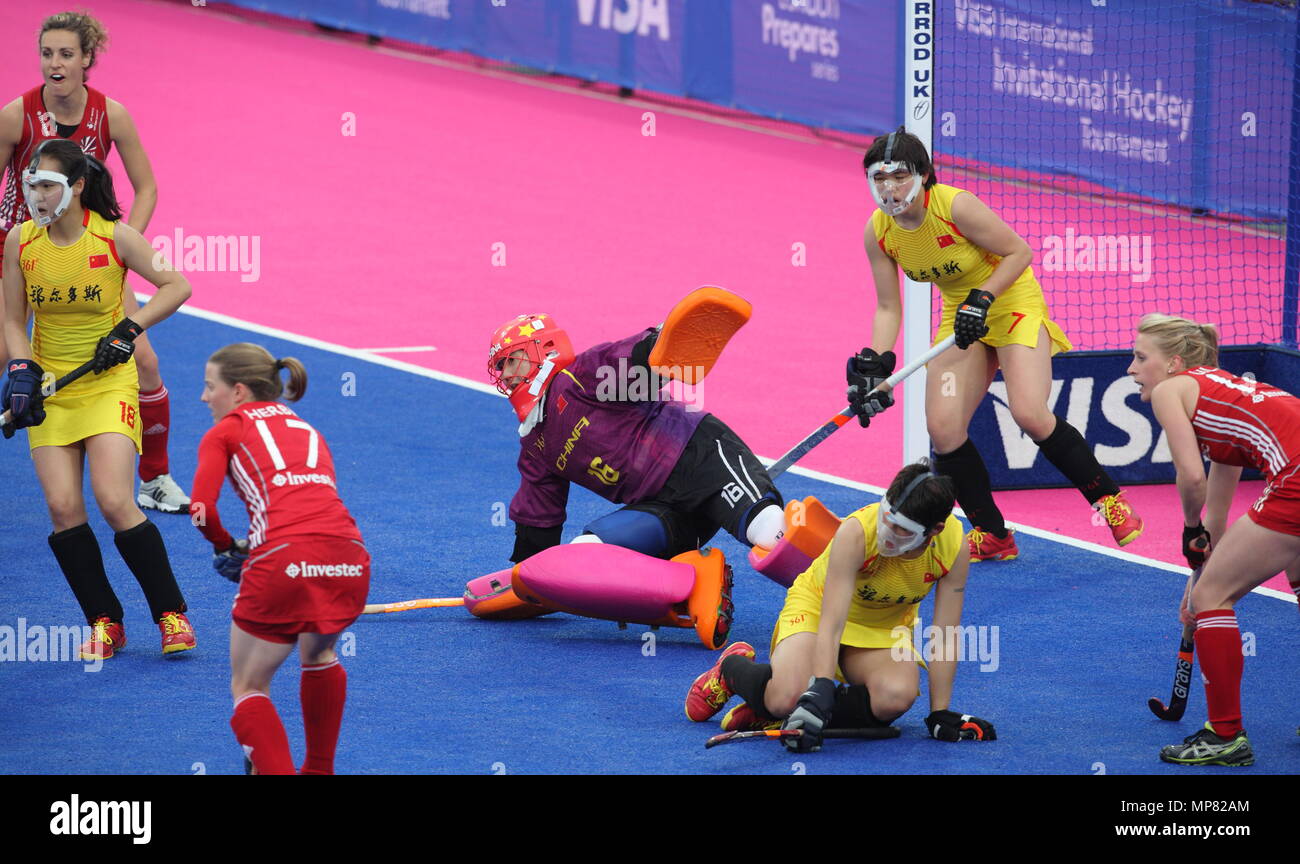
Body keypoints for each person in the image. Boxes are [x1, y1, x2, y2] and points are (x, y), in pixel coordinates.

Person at [845, 126, 1143, 562]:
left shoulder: (955, 206)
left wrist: (983, 299)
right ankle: (993, 535)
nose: (889, 188)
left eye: (900, 176)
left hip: (1009, 302)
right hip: (960, 315)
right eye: (879, 178)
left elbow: (1018, 252)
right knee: (943, 429)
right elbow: (889, 308)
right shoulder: (879, 233)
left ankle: (1110, 501)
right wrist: (876, 363)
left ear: (924, 175)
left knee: (1028, 411)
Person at [2, 137, 194, 659]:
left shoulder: (115, 237)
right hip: (52, 391)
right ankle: (105, 621)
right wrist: (20, 368)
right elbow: (13, 319)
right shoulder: (20, 241)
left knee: (114, 501)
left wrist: (129, 330)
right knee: (63, 509)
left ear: (77, 187)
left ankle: (171, 615)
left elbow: (177, 284)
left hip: (108, 384)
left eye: (48, 185)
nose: (37, 196)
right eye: (32, 185)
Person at [0, 10, 190, 513]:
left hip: (89, 254)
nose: (54, 63)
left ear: (87, 60)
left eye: (66, 54)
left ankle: (154, 478)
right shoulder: (15, 114)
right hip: (20, 254)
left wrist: (119, 250)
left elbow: (146, 186)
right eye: (47, 53)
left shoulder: (112, 115)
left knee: (144, 359)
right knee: (5, 356)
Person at [684, 461, 996, 751]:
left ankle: (777, 713)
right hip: (818, 611)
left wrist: (940, 713)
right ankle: (732, 672)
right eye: (887, 516)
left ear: (935, 531)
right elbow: (831, 621)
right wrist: (819, 689)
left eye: (903, 530)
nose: (888, 532)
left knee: (895, 697)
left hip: (880, 629)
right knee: (788, 696)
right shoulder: (857, 532)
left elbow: (945, 633)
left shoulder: (953, 548)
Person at [488, 309, 791, 570]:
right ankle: (701, 593)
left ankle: (832, 572)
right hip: (661, 508)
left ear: (545, 349)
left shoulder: (580, 376)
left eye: (511, 361)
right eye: (500, 368)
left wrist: (661, 342)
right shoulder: (535, 444)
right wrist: (526, 576)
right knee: (587, 552)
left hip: (702, 460)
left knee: (769, 534)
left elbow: (634, 361)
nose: (505, 374)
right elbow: (538, 515)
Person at [1128, 314, 1300, 767]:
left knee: (1214, 597)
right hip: (1294, 474)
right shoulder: (1218, 393)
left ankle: (1225, 734)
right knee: (1217, 591)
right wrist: (1199, 575)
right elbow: (1219, 518)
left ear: (1173, 364)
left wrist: (1189, 531)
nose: (1131, 368)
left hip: (1297, 480)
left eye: (1141, 357)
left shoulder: (1171, 390)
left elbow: (1190, 478)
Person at [191, 343, 370, 775]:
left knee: (249, 686)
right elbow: (310, 501)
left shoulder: (224, 432)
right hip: (350, 558)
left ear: (237, 392)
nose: (203, 397)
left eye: (208, 386)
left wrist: (225, 546)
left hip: (282, 562)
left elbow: (202, 510)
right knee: (320, 657)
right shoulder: (308, 429)